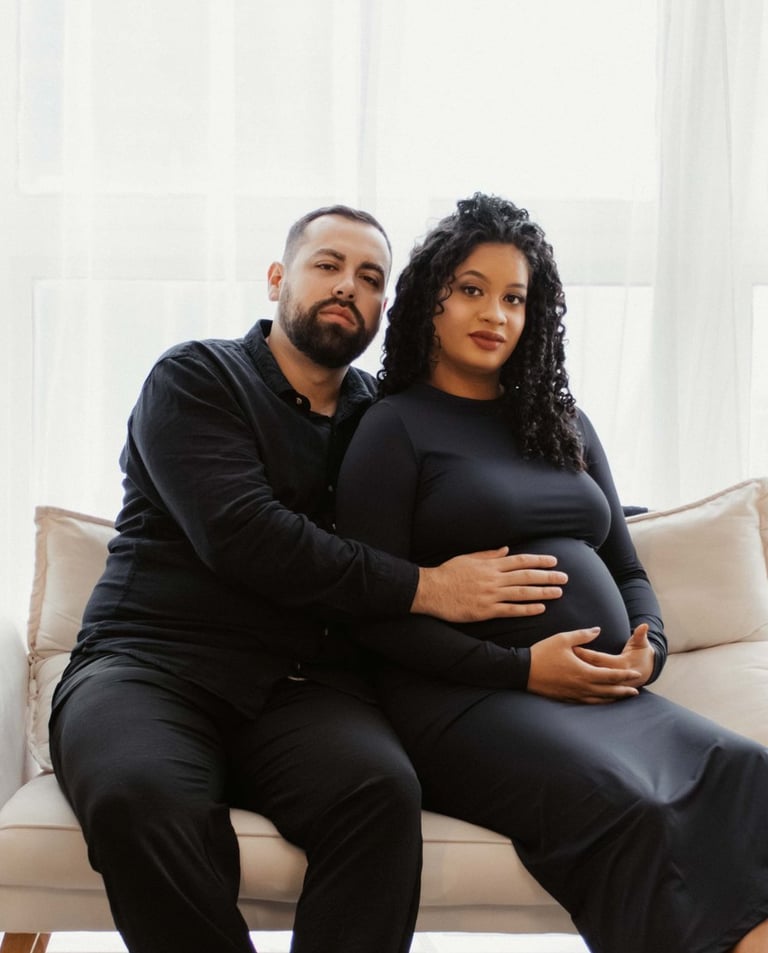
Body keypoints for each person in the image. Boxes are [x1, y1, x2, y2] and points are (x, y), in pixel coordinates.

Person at [48, 204, 574, 953]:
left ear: (387, 306)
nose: (348, 287)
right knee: (139, 798)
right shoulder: (195, 376)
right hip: (151, 666)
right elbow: (245, 535)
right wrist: (430, 587)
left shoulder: (386, 417)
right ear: (277, 278)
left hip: (305, 687)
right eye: (328, 265)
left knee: (381, 795)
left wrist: (593, 523)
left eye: (371, 277)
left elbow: (468, 499)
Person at [335, 193, 768, 953]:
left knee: (750, 772)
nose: (494, 314)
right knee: (633, 809)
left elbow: (625, 565)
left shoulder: (564, 424)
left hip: (605, 696)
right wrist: (524, 669)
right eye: (472, 289)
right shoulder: (390, 429)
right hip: (464, 700)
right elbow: (373, 614)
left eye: (514, 297)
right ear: (431, 300)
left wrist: (650, 646)